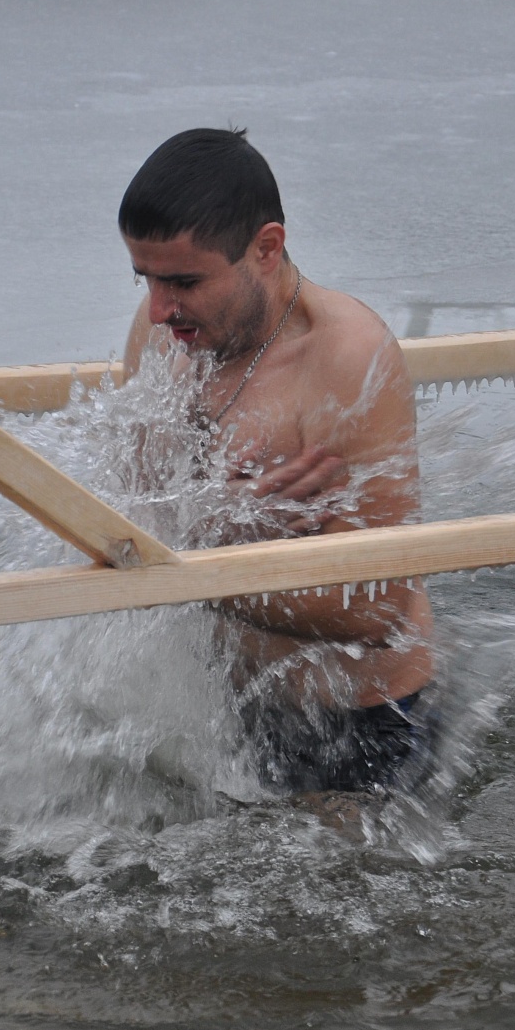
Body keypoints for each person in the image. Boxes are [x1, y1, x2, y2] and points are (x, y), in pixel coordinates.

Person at [117, 128, 435, 798]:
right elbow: (134, 520)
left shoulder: (344, 357)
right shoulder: (164, 331)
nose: (157, 309)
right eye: (145, 279)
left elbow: (377, 608)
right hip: (226, 699)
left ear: (266, 248)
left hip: (359, 717)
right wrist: (224, 532)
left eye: (183, 281)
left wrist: (200, 561)